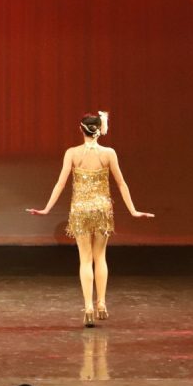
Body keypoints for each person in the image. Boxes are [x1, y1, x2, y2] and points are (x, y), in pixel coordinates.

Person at [28, 111, 153, 327]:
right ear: (99, 129)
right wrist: (132, 210)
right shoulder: (109, 153)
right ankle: (101, 303)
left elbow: (60, 183)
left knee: (85, 260)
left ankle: (88, 307)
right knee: (100, 257)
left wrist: (47, 209)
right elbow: (121, 183)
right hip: (102, 210)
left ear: (81, 129)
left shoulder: (72, 153)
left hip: (80, 210)